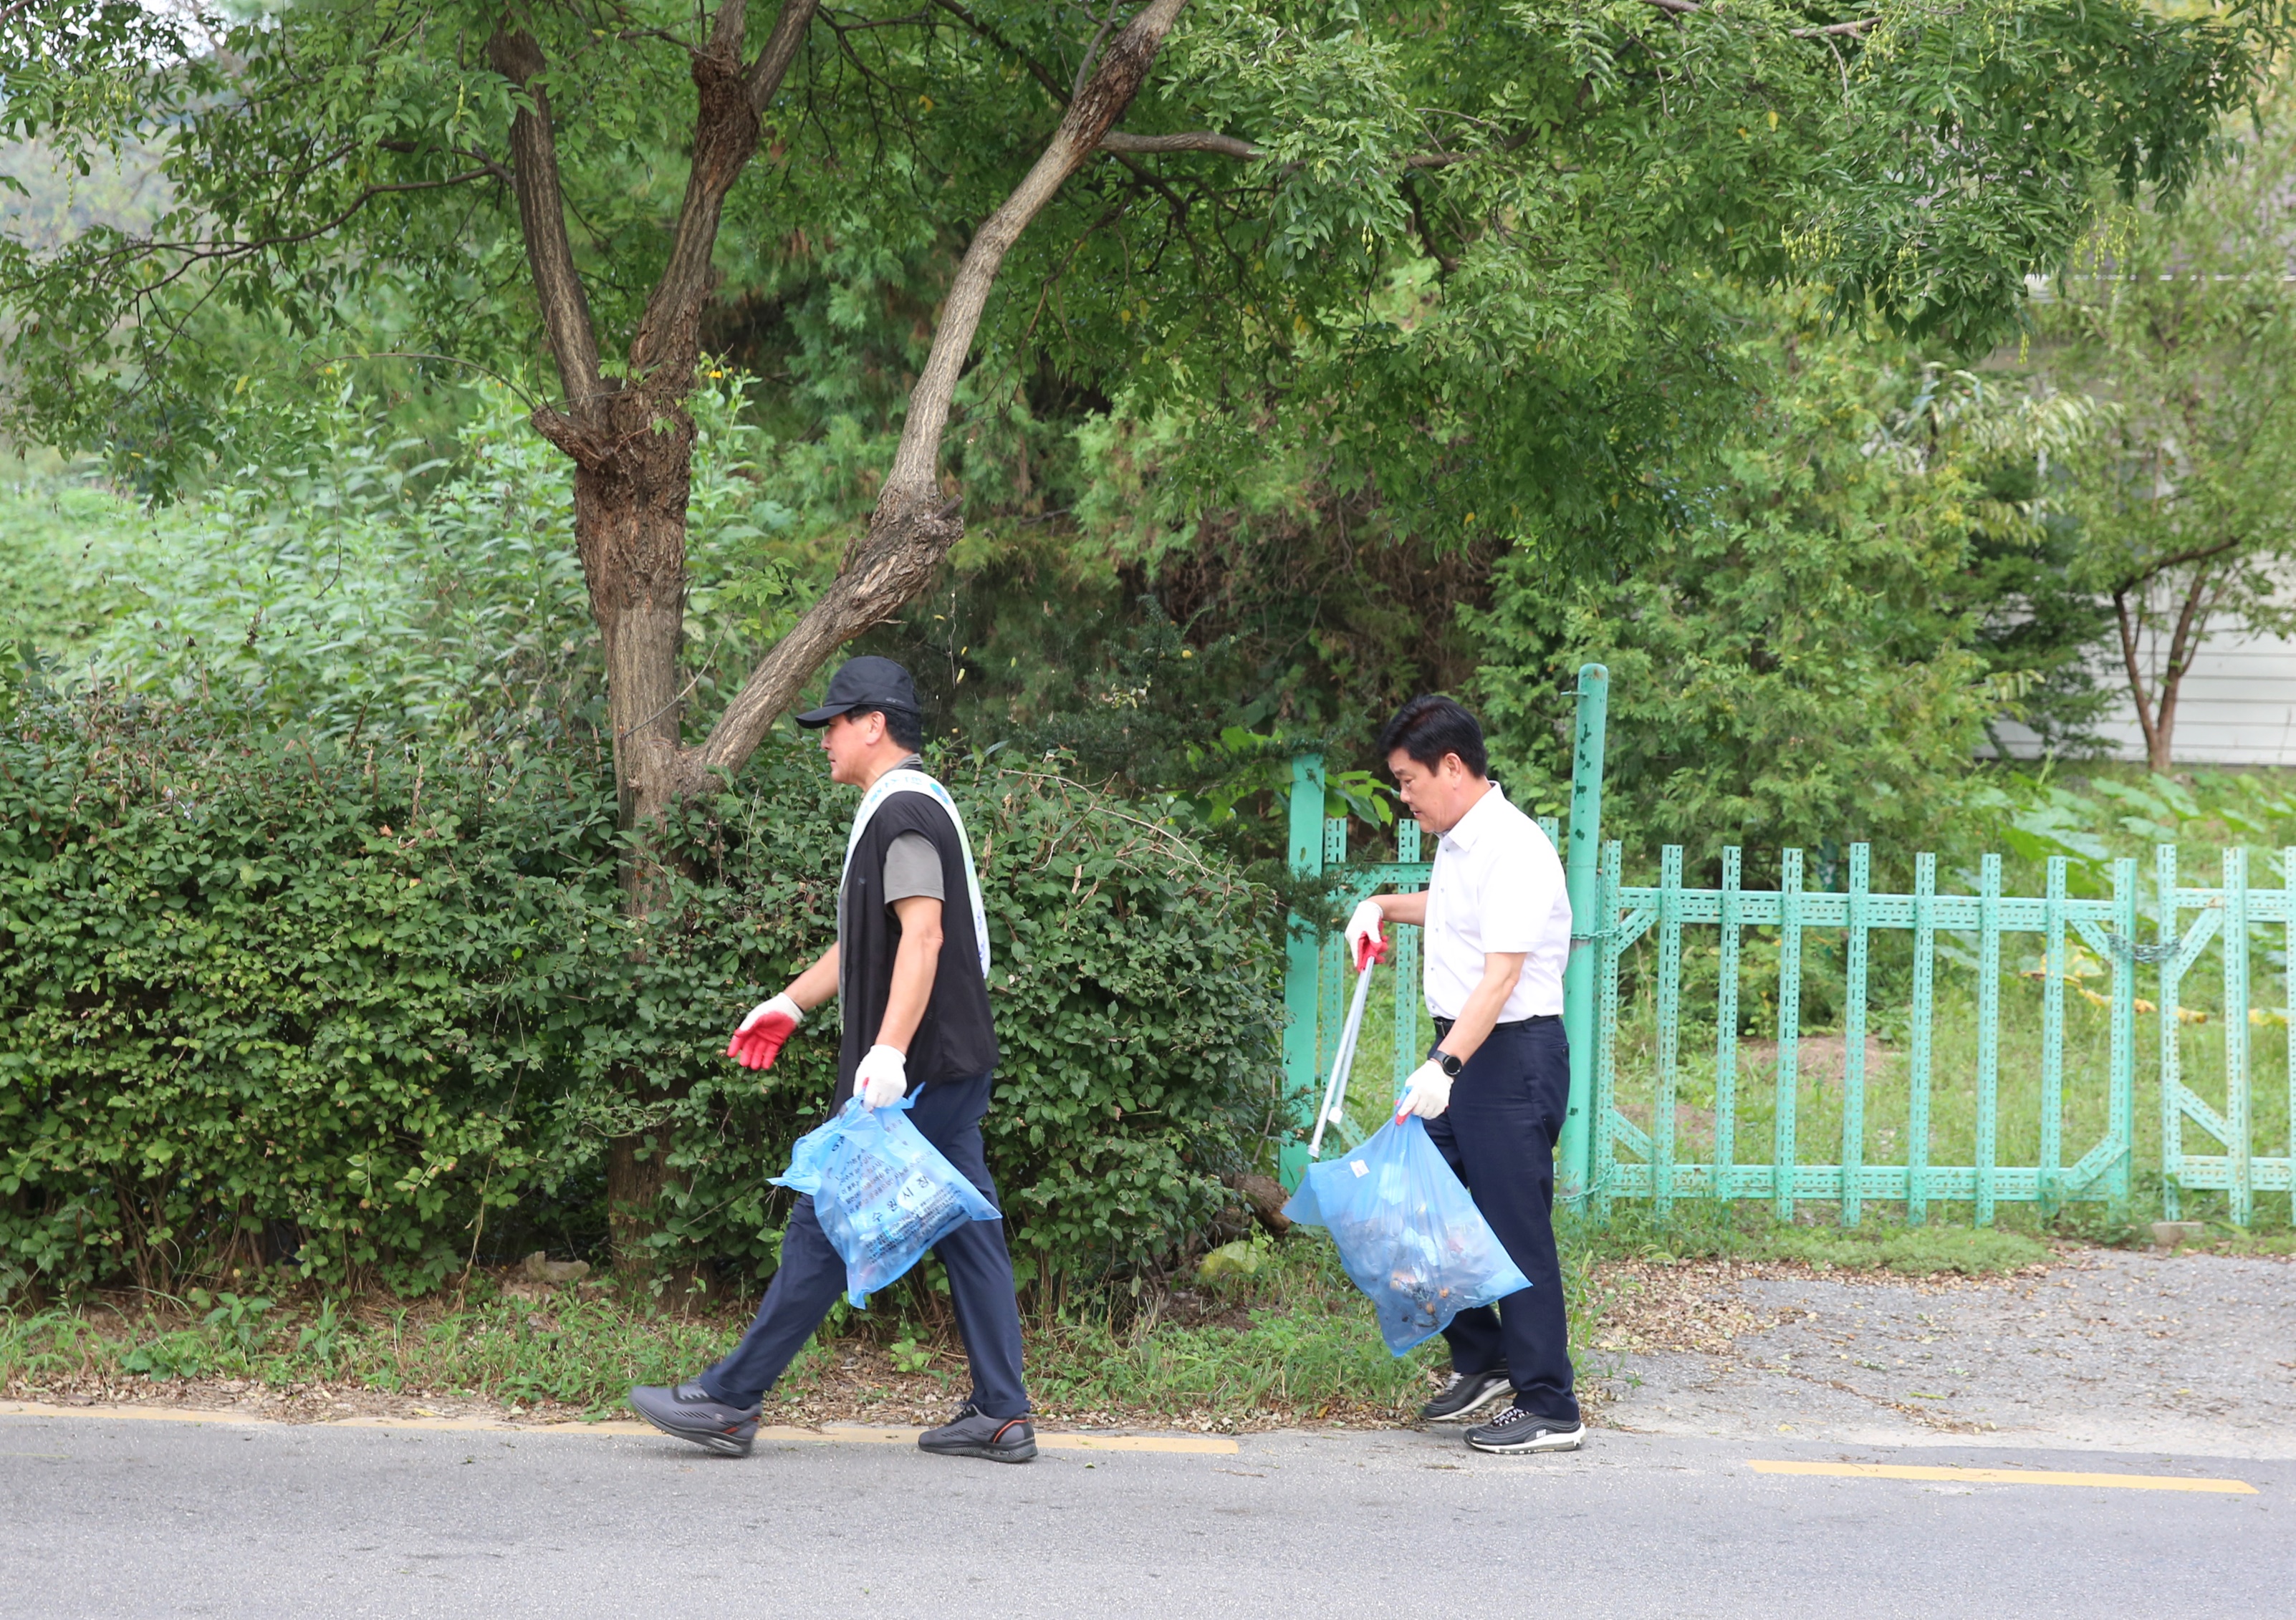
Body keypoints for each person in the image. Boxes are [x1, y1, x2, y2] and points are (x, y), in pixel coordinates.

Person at [628, 655, 1034, 1463]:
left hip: (919, 1069)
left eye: (834, 725)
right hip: (947, 1063)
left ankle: (732, 1400)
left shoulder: (904, 811)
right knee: (970, 1226)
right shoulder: (901, 806)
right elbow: (869, 942)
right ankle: (1000, 1412)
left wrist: (886, 1052)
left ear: (873, 723)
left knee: (825, 1217)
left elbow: (924, 934)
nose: (824, 742)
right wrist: (789, 1002)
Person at [1345, 694, 1585, 1455]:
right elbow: (1450, 912)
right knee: (1408, 1208)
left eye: (1409, 780)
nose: (1404, 796)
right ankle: (1484, 1360)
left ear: (1453, 767)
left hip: (1507, 1056)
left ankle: (1550, 1404)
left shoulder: (1513, 848)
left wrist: (1446, 1065)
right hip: (1465, 1050)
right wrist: (1379, 903)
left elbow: (1502, 975)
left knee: (1514, 1235)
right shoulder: (1459, 842)